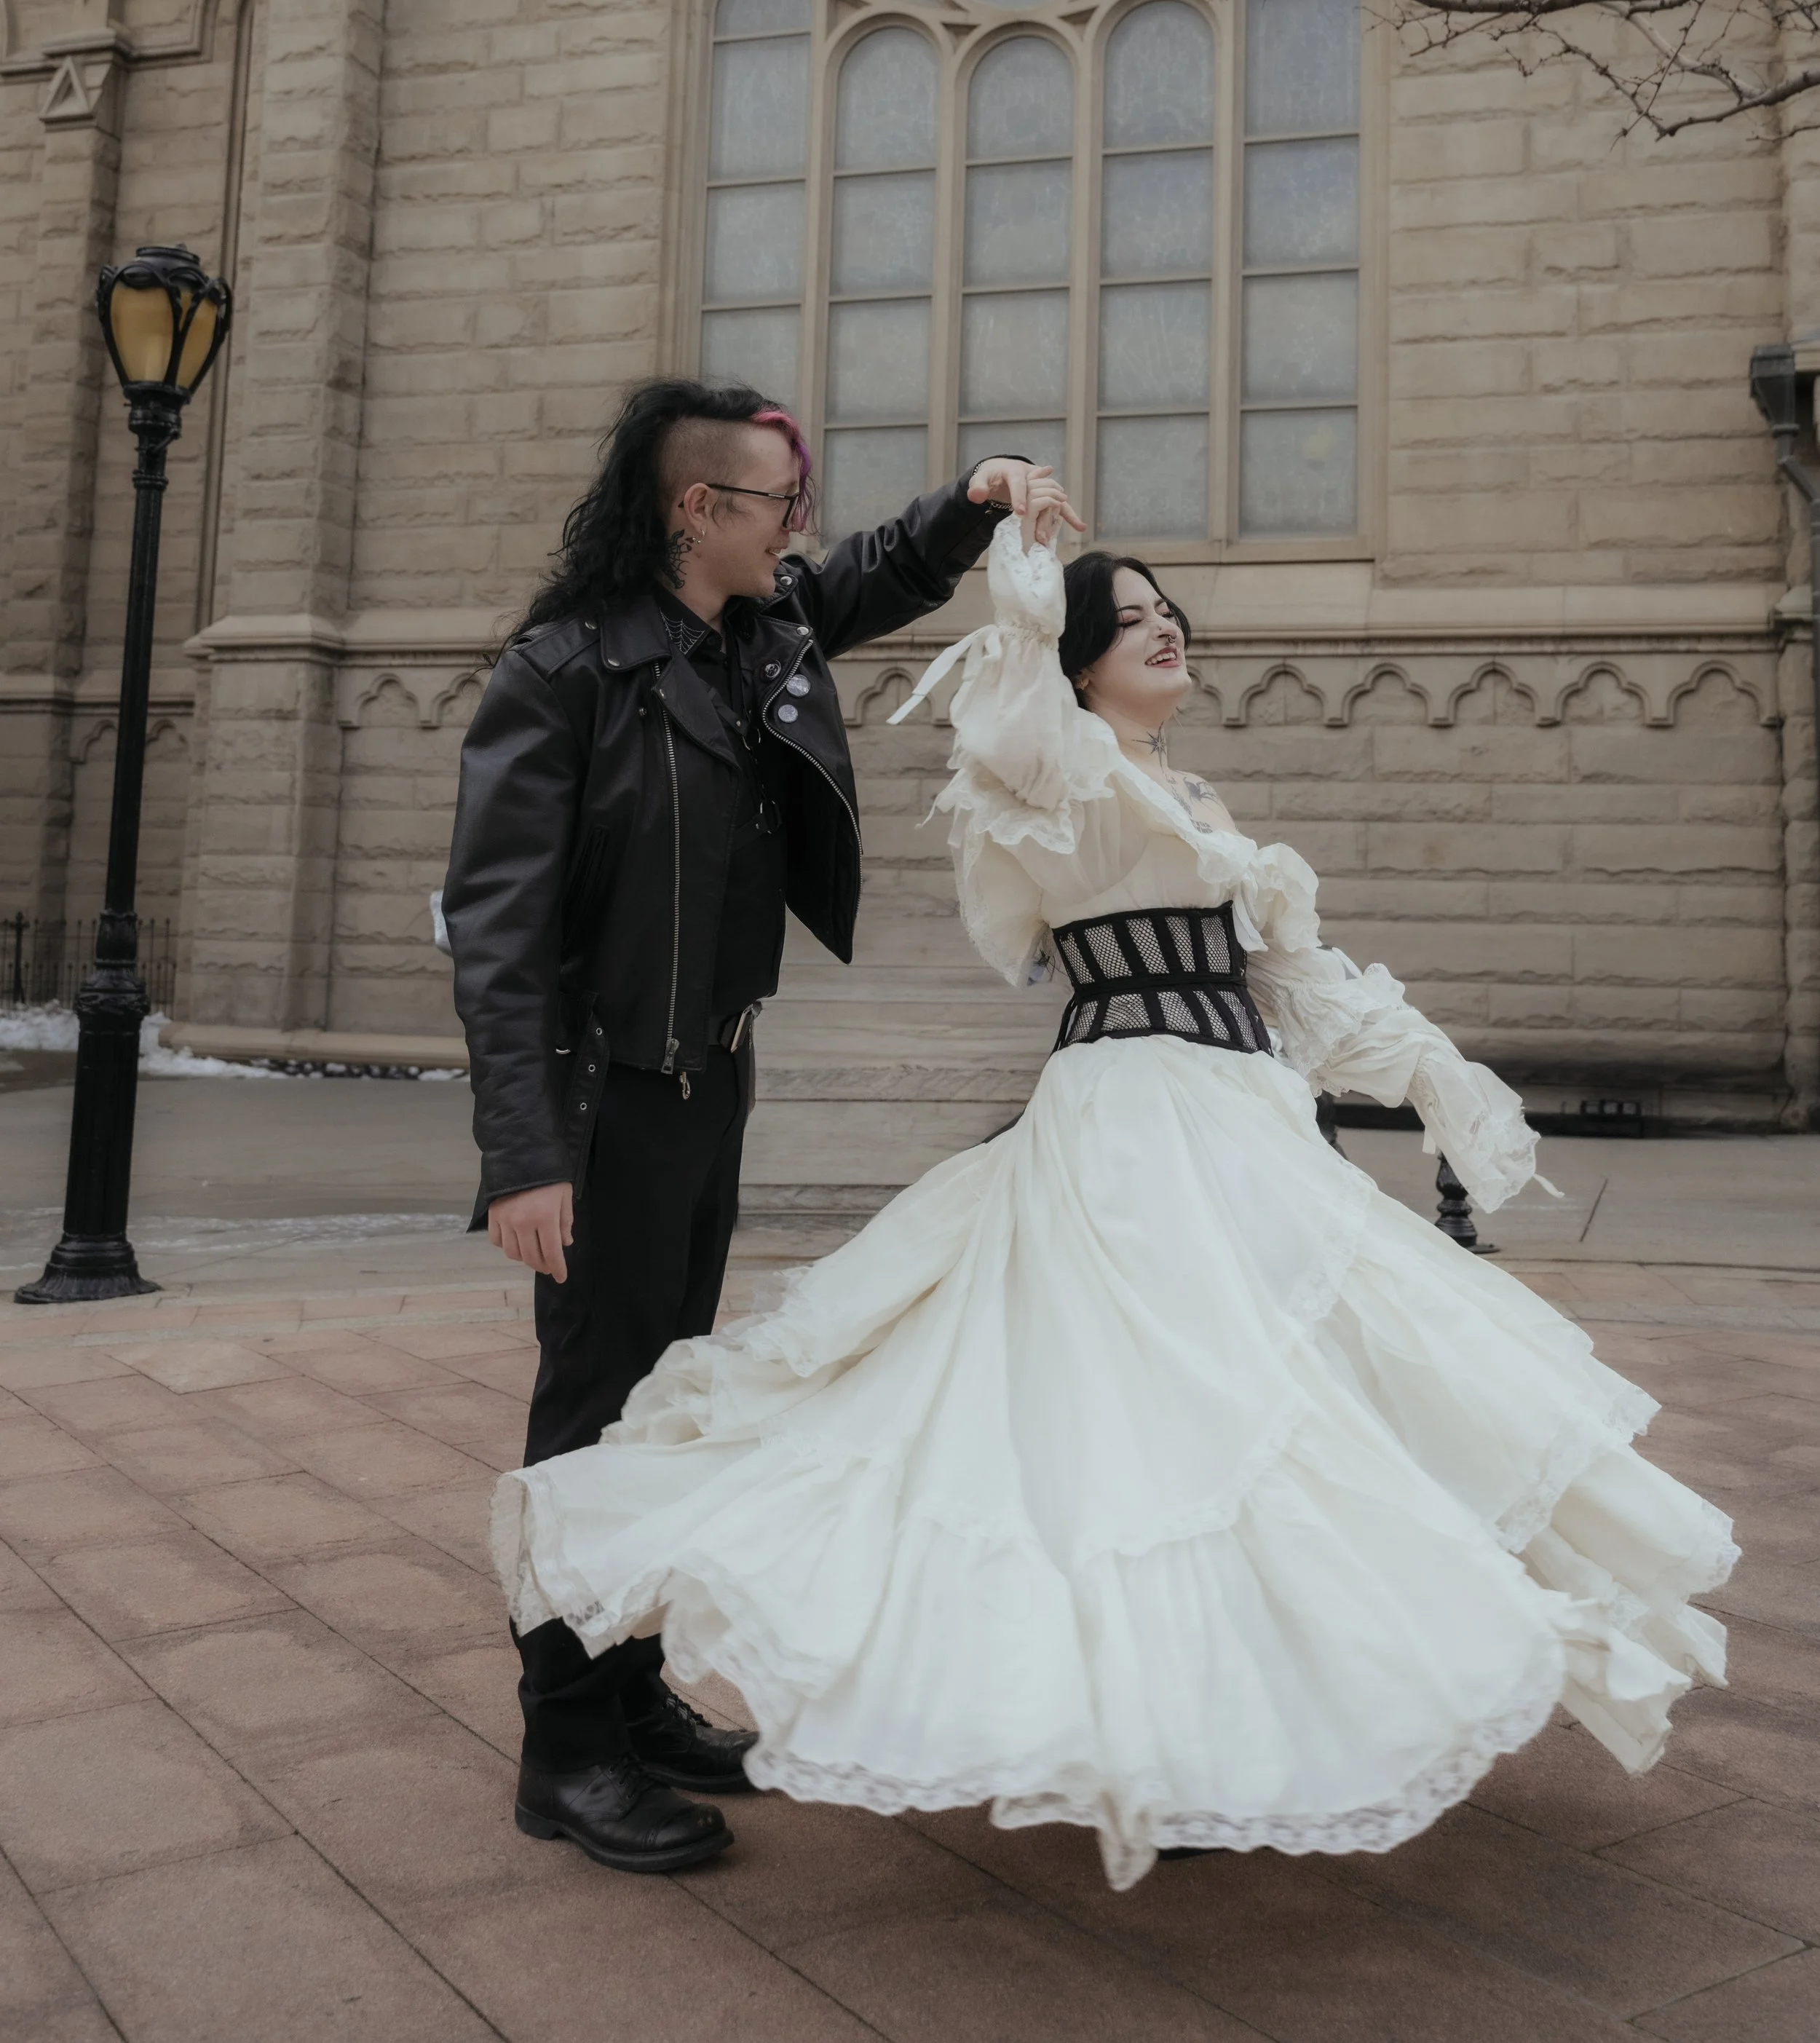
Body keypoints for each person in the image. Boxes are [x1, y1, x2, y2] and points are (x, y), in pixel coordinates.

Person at [491, 499, 1737, 1892]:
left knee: (1267, 1415)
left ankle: (1209, 1722)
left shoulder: (1197, 802)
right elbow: (1010, 719)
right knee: (1154, 1423)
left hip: (1245, 1121)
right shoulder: (1056, 770)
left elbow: (1295, 984)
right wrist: (1022, 574)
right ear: (1077, 659)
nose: (1166, 627)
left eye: (1171, 611)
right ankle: (604, 1709)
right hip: (1131, 1129)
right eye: (1132, 616)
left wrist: (1441, 1075)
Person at [441, 376, 1079, 1873]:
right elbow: (498, 930)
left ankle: (634, 1692)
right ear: (696, 511)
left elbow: (862, 574)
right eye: (776, 502)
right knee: (590, 1418)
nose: (799, 526)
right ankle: (565, 1752)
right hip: (603, 1100)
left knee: (667, 1408)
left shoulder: (758, 636)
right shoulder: (566, 673)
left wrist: (971, 498)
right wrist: (523, 1153)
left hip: (707, 1079)